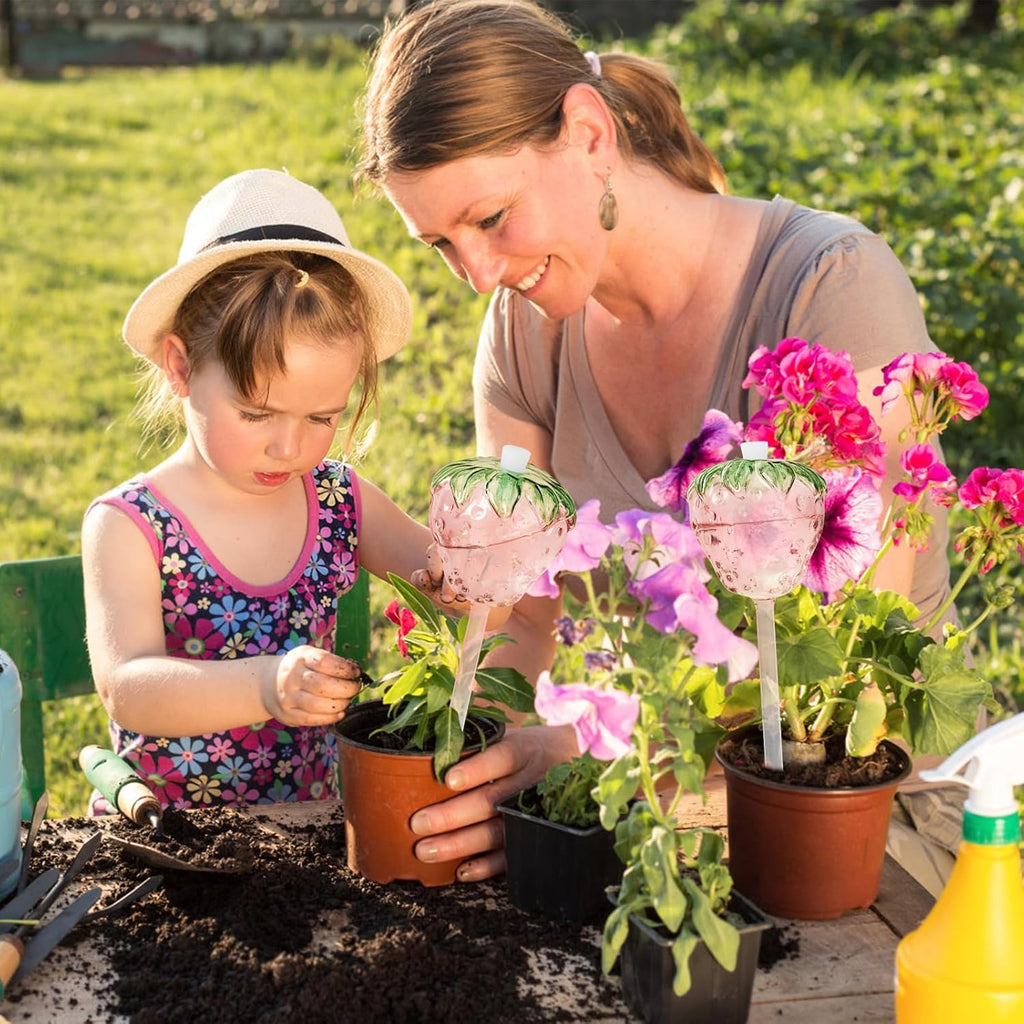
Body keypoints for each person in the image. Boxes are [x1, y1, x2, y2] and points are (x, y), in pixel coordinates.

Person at [358, 0, 956, 881]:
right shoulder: (525, 329)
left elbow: (839, 683)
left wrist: (587, 752)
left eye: (490, 219)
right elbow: (526, 614)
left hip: (847, 832)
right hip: (638, 816)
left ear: (590, 134)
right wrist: (474, 760)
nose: (477, 273)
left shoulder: (832, 289)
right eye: (441, 244)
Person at [82, 168, 459, 812]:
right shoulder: (132, 525)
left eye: (321, 418)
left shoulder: (340, 500)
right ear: (179, 367)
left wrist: (475, 575)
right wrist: (264, 684)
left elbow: (456, 592)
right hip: (173, 841)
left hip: (312, 837)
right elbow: (129, 687)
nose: (290, 449)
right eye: (256, 414)